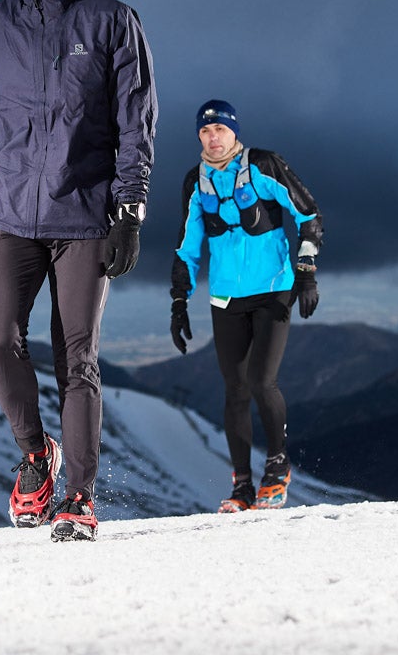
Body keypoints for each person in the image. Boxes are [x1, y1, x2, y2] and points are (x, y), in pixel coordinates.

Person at [0, 0, 157, 542]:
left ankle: (79, 498)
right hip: (9, 210)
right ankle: (37, 456)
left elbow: (135, 124)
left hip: (86, 215)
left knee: (76, 359)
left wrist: (130, 210)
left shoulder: (114, 21)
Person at [169, 99, 322, 513]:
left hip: (273, 290)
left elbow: (308, 215)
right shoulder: (195, 182)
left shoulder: (264, 165)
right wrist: (178, 302)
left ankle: (277, 468)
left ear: (234, 131)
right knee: (234, 390)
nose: (212, 137)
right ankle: (242, 487)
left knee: (260, 381)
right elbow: (187, 246)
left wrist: (306, 271)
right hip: (226, 298)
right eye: (204, 131)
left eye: (219, 129)